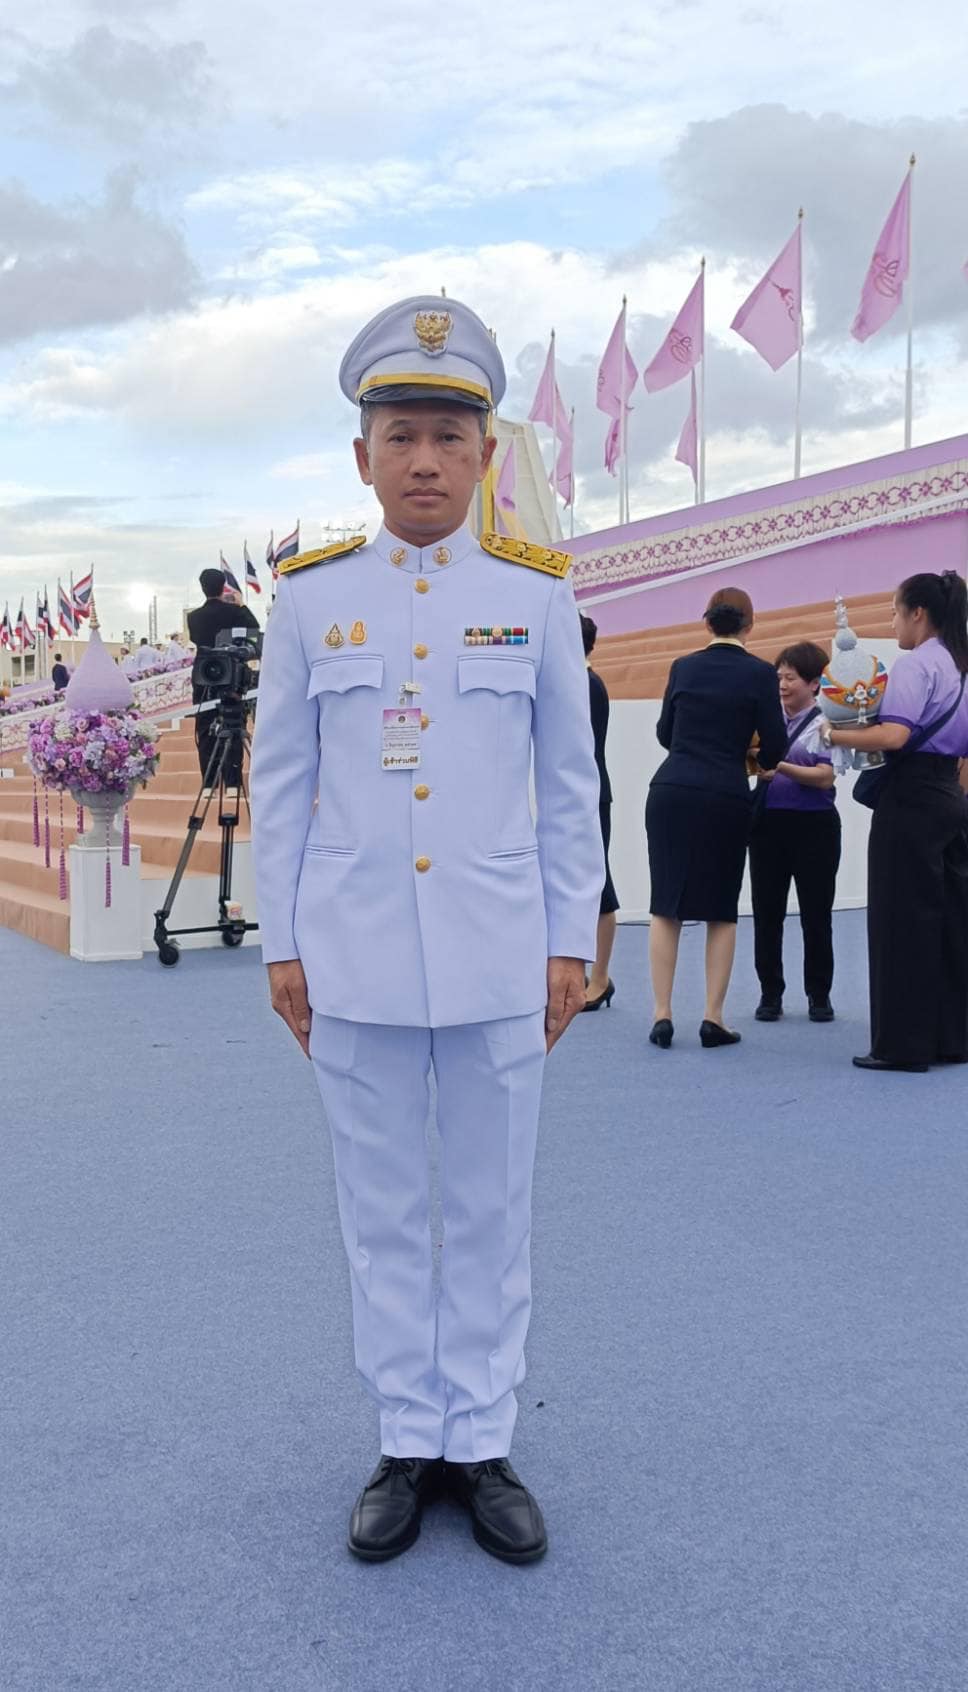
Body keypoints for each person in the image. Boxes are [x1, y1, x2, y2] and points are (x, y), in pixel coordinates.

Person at [250, 295, 602, 1566]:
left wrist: (569, 942)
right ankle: (408, 1436)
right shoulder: (309, 602)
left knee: (491, 1207)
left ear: (483, 455)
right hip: (350, 955)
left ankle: (483, 1438)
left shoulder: (534, 595)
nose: (424, 460)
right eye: (399, 435)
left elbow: (566, 784)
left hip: (499, 950)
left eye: (449, 437)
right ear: (363, 456)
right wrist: (281, 944)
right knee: (384, 1210)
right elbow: (281, 787)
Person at [822, 570, 968, 1072]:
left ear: (918, 613)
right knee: (951, 920)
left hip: (910, 801)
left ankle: (902, 1045)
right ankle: (951, 1038)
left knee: (900, 920)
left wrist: (833, 734)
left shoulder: (915, 665)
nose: (893, 622)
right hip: (951, 796)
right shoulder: (960, 664)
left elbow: (893, 736)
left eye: (894, 612)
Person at [645, 586, 786, 1049]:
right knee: (721, 909)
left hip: (670, 789)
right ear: (750, 625)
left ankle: (662, 1014)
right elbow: (776, 743)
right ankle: (713, 1017)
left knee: (665, 904)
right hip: (725, 792)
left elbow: (666, 733)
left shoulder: (683, 667)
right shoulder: (760, 673)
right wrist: (755, 759)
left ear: (707, 622)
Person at [750, 642, 840, 1024]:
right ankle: (770, 994)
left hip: (815, 827)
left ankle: (819, 995)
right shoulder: (766, 720)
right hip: (768, 825)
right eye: (779, 677)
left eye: (791, 678)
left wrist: (780, 767)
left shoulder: (827, 722)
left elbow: (825, 777)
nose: (783, 685)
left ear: (814, 683)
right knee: (766, 913)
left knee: (816, 914)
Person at [579, 612, 619, 1010]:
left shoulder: (588, 684)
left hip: (591, 795)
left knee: (599, 883)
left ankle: (602, 977)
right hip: (580, 794)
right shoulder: (578, 681)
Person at [187, 569, 260, 784]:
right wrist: (240, 605)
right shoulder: (234, 612)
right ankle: (232, 782)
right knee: (233, 724)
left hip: (204, 674)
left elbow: (197, 638)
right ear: (223, 587)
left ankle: (209, 781)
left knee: (204, 728)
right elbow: (254, 628)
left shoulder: (193, 617)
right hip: (231, 674)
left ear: (202, 588)